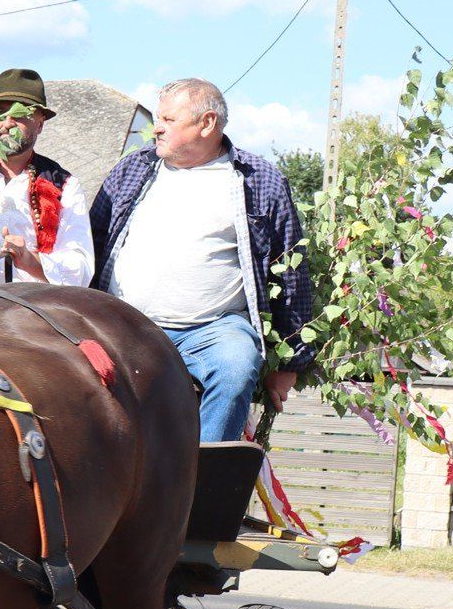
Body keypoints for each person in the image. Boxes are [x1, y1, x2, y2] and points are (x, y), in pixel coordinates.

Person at [90, 77, 314, 442]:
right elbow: (94, 242)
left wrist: (291, 362)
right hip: (125, 325)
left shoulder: (258, 181)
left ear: (207, 123)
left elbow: (291, 269)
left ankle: (203, 483)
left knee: (237, 366)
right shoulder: (133, 170)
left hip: (211, 330)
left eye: (168, 119)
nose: (156, 128)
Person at [0, 69, 94, 287]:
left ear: (40, 124)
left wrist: (29, 260)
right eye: (0, 113)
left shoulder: (64, 185)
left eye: (20, 115)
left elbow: (81, 267)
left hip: (29, 309)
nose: (8, 123)